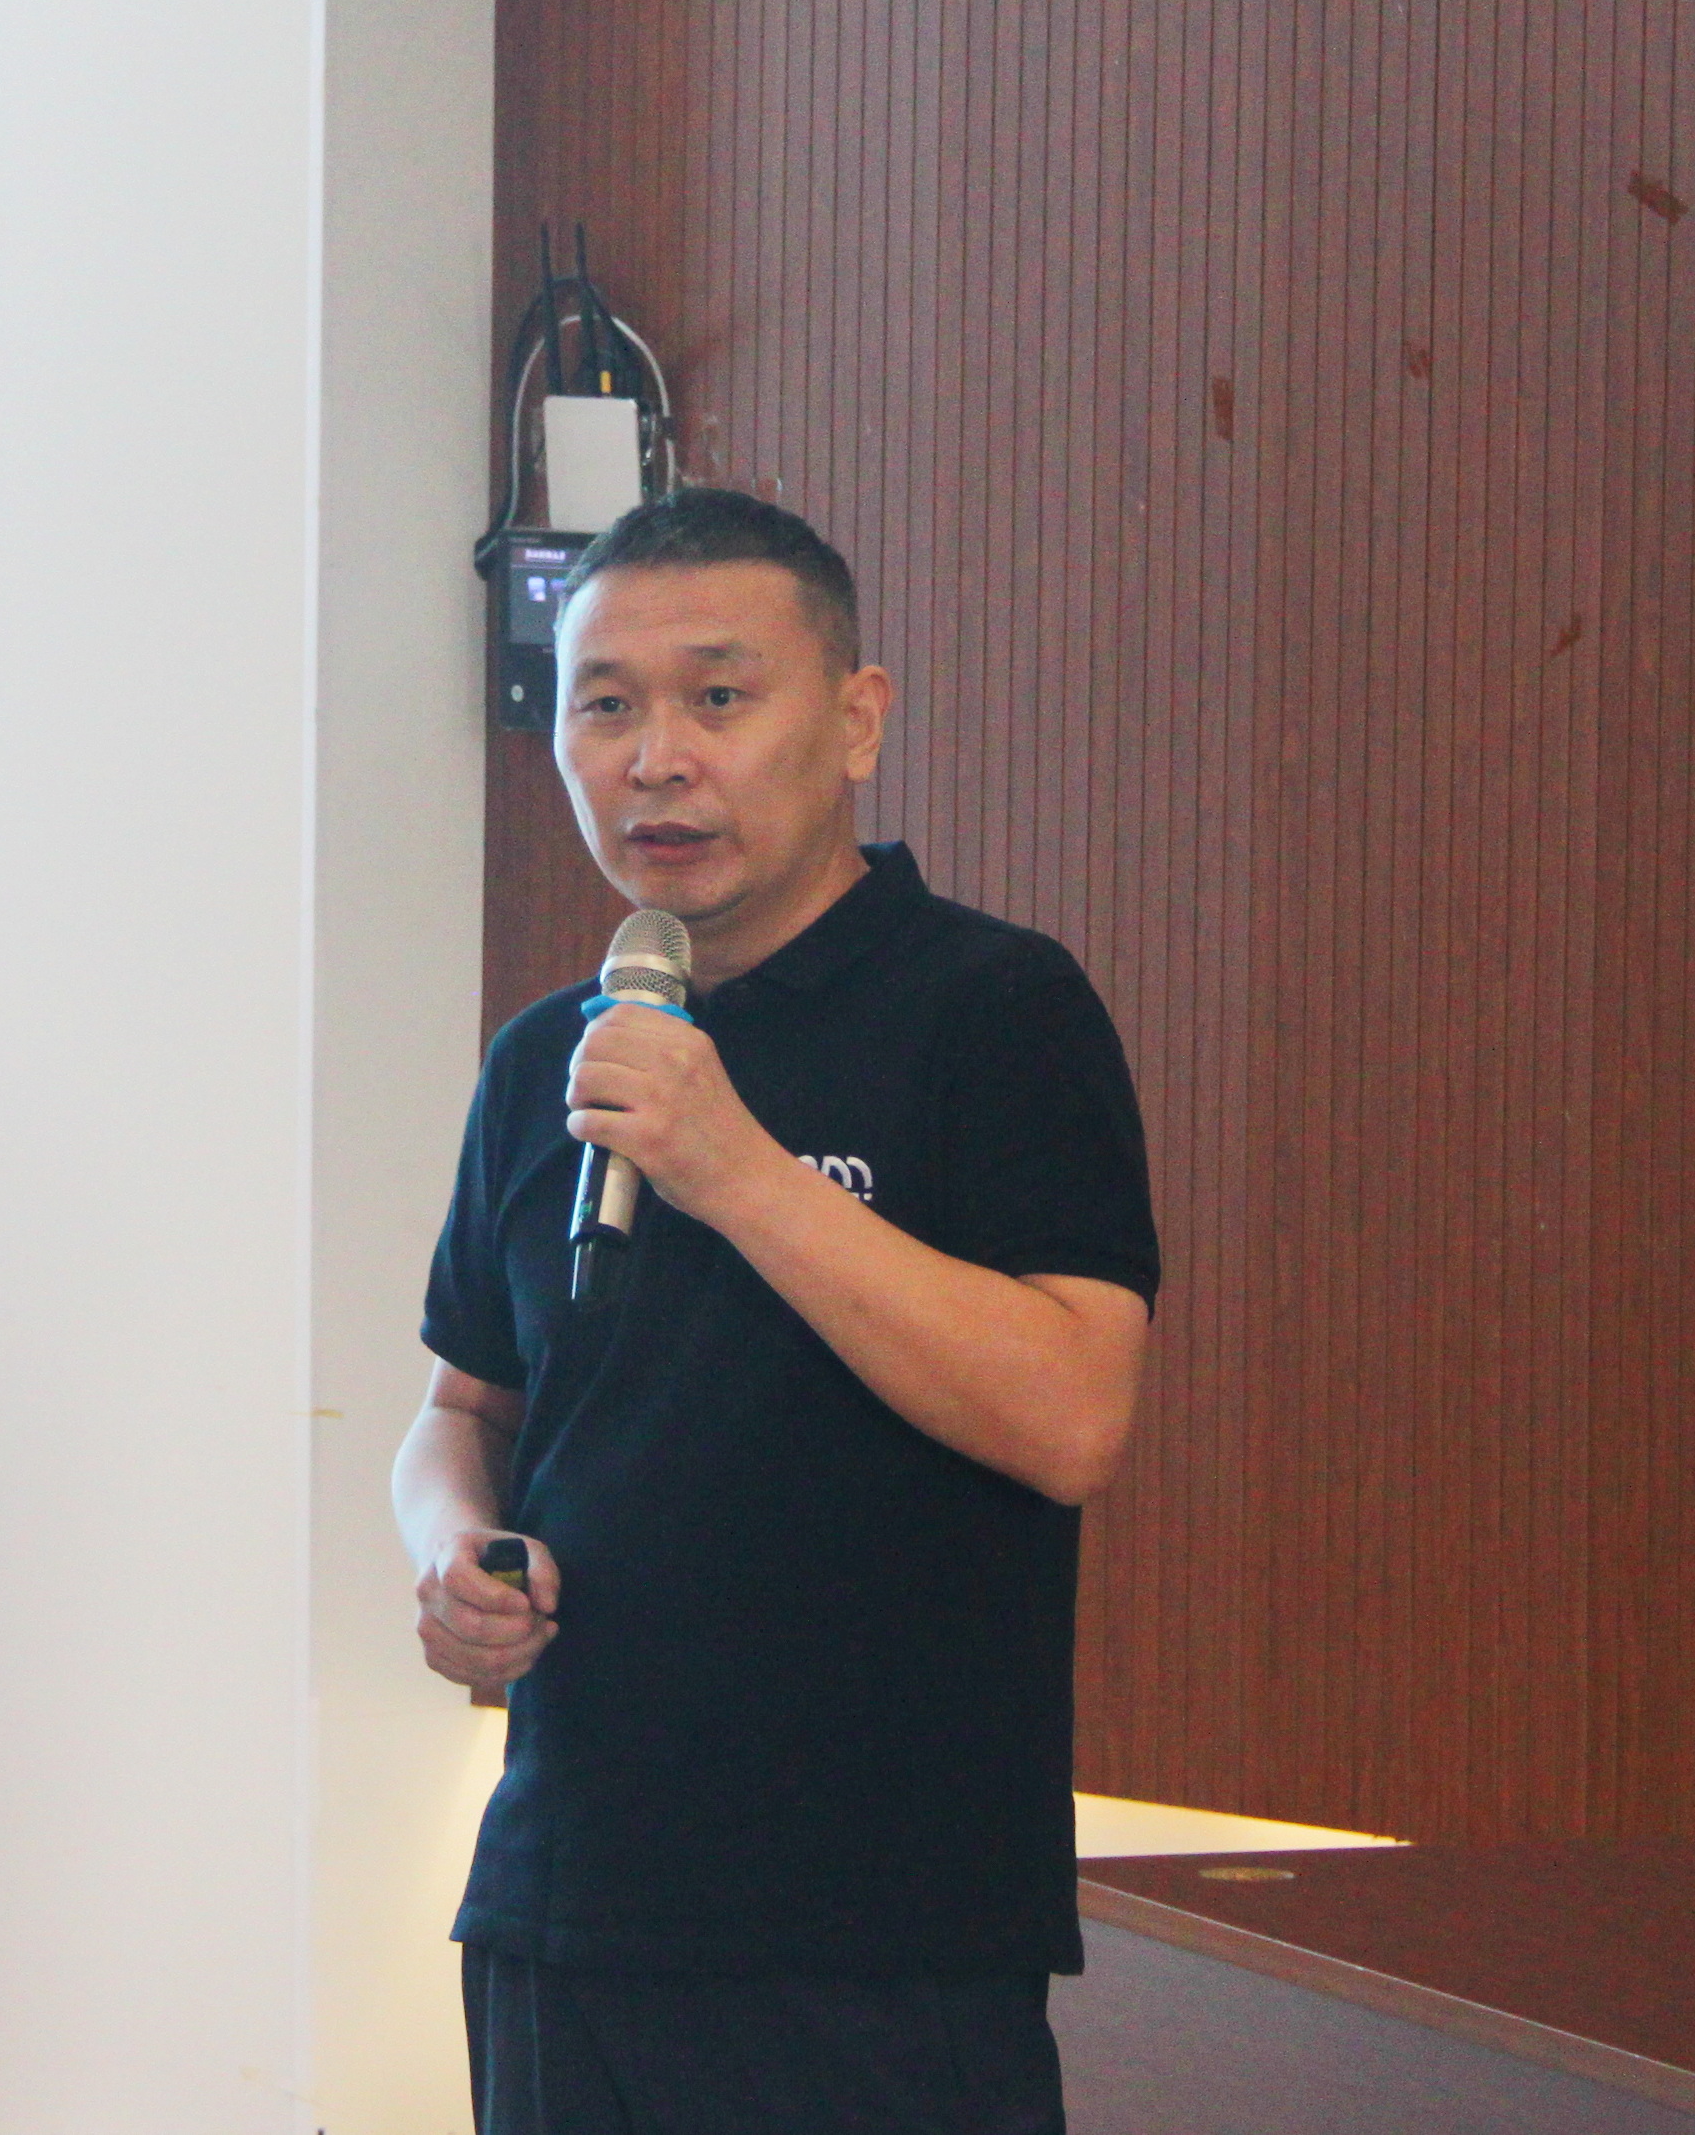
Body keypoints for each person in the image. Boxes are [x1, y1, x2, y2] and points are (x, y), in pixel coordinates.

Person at [394, 490, 1160, 2134]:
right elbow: (465, 1410)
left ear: (856, 719)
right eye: (604, 704)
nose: (654, 758)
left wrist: (734, 1168)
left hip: (875, 1932)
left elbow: (1071, 1415)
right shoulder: (548, 1058)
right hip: (566, 1895)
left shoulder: (991, 1008)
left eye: (718, 697)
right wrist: (451, 1551)